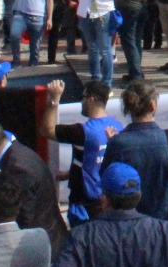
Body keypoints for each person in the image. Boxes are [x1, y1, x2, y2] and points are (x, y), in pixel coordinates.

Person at [102, 79, 168, 221]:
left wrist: (112, 143)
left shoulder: (118, 143)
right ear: (153, 106)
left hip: (128, 222)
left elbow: (107, 178)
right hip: (164, 221)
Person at [0, 115, 66, 252]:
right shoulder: (18, 153)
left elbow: (23, 218)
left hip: (43, 249)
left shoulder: (17, 169)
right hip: (46, 239)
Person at [40, 79, 120, 223]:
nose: (81, 102)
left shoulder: (82, 131)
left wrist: (54, 100)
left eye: (82, 98)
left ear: (91, 99)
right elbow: (97, 158)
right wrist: (72, 173)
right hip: (109, 200)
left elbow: (47, 130)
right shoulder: (117, 126)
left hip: (85, 206)